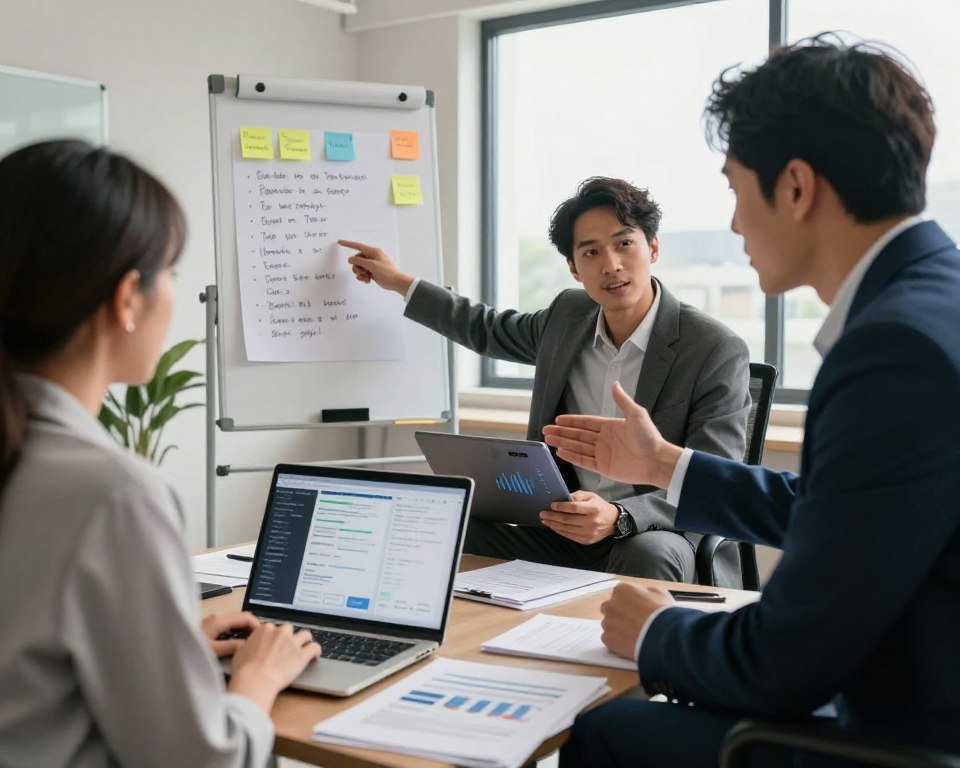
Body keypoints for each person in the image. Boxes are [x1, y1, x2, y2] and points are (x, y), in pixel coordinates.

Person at [543, 34, 960, 766]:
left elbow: (785, 661)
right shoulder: (935, 303)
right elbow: (846, 508)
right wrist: (668, 463)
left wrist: (656, 632)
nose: (734, 223)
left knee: (604, 733)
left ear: (796, 188)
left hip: (907, 730)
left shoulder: (893, 351)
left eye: (736, 189)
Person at [0, 140, 321, 767]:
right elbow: (202, 760)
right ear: (127, 298)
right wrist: (258, 681)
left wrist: (165, 650)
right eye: (171, 274)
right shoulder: (110, 494)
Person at [339, 177, 750, 582]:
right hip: (565, 529)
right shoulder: (567, 317)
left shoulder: (713, 349)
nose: (611, 264)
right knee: (457, 524)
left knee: (648, 551)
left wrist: (620, 517)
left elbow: (714, 486)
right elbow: (485, 328)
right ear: (573, 268)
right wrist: (398, 282)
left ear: (653, 247)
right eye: (591, 252)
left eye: (625, 243)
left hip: (654, 534)